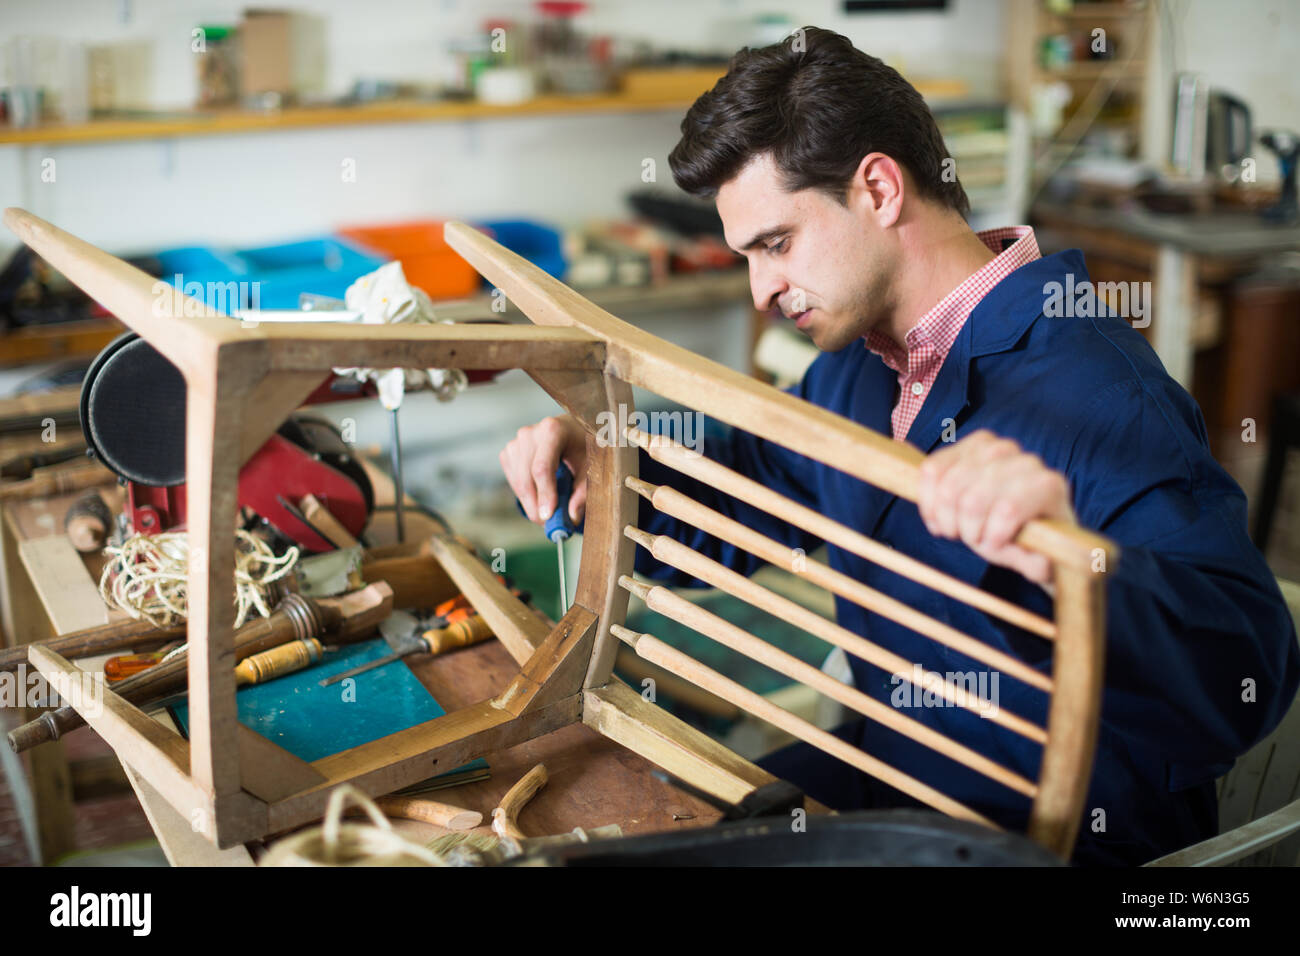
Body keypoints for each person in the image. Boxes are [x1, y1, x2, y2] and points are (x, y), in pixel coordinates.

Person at [498, 26, 1300, 865]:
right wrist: (616, 468)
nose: (762, 289)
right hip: (897, 770)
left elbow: (1244, 676)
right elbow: (757, 483)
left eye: (776, 244)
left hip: (1054, 830)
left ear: (879, 188)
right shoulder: (865, 367)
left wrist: (1071, 568)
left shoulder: (1100, 389)